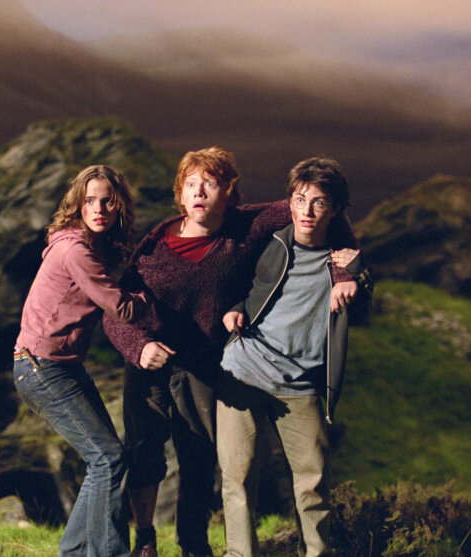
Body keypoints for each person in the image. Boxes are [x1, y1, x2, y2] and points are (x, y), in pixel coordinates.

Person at [102, 147, 358, 557]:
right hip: (151, 361)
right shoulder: (155, 247)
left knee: (199, 461)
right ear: (180, 194)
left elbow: (323, 211)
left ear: (229, 192)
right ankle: (145, 539)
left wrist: (344, 269)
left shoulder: (248, 226)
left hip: (205, 366)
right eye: (190, 184)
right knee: (145, 453)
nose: (199, 191)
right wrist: (139, 346)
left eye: (210, 183)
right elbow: (114, 312)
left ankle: (194, 545)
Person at [217, 157, 373, 557]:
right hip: (245, 369)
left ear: (335, 209)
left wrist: (355, 278)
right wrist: (235, 308)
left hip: (300, 384)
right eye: (300, 200)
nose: (307, 211)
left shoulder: (343, 262)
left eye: (319, 202)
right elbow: (237, 281)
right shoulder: (270, 242)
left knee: (313, 480)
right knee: (237, 476)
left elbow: (365, 309)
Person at [13, 165, 150, 557]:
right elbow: (121, 307)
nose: (99, 209)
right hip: (41, 367)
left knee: (106, 460)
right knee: (108, 459)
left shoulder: (91, 247)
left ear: (119, 204)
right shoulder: (76, 250)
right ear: (78, 203)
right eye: (90, 200)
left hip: (61, 365)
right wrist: (156, 296)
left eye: (107, 201)